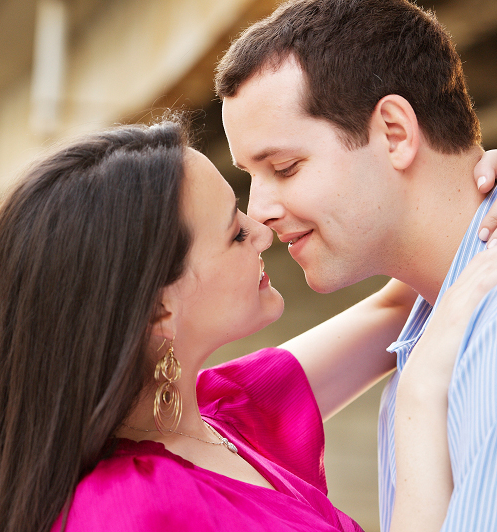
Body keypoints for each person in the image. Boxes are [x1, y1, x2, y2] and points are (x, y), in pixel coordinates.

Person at [0, 117, 497, 532]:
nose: (263, 229)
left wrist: (476, 193)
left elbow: (397, 303)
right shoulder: (121, 514)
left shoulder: (224, 414)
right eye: (236, 233)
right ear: (159, 310)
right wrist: (421, 399)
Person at [214, 1, 497, 530]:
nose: (258, 211)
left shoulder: (487, 328)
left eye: (284, 167)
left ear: (393, 132)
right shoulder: (430, 332)